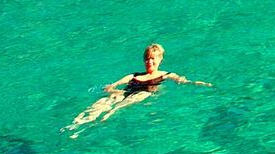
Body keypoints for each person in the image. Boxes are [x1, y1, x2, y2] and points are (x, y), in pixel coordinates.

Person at [68, 44, 211, 135]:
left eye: (153, 58)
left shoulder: (166, 74)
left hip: (144, 93)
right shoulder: (134, 75)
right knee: (101, 103)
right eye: (147, 59)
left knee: (132, 99)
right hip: (125, 92)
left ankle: (107, 116)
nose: (149, 61)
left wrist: (199, 83)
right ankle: (77, 123)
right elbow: (114, 85)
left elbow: (183, 81)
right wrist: (112, 89)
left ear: (160, 59)